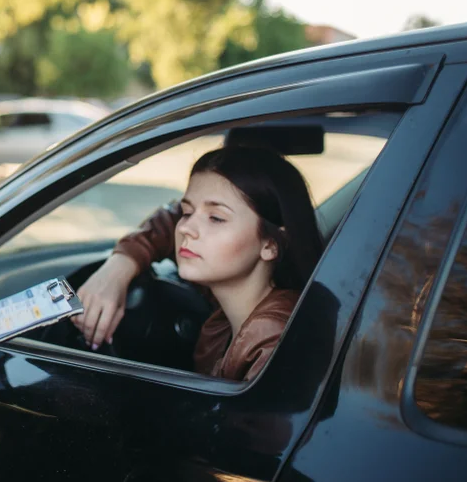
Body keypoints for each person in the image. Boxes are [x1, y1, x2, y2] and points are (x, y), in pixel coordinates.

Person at [72, 146, 324, 381]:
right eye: (188, 212)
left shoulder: (273, 341)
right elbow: (170, 220)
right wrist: (119, 267)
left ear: (270, 245)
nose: (186, 228)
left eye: (215, 218)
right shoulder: (236, 298)